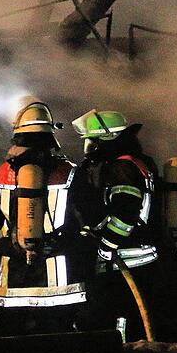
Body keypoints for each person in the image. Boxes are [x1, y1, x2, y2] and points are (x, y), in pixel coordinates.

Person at [0, 100, 87, 334]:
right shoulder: (68, 173)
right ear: (50, 134)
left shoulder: (2, 173)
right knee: (59, 344)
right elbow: (89, 213)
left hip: (12, 279)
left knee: (10, 347)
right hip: (57, 282)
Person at [70, 109, 160, 340]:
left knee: (115, 316)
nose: (88, 147)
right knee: (131, 315)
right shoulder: (139, 162)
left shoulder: (121, 168)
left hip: (125, 257)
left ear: (105, 139)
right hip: (143, 254)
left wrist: (107, 246)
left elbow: (126, 211)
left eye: (91, 141)